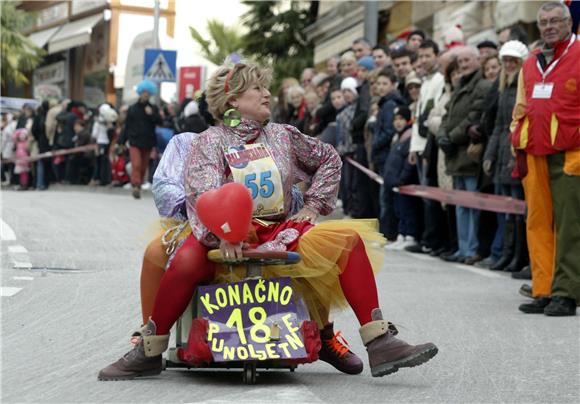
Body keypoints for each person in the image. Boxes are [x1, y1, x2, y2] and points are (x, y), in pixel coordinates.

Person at [98, 62, 438, 380]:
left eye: (266, 87)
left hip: (279, 228)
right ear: (232, 100)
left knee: (347, 242)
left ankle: (379, 341)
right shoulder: (209, 141)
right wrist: (225, 235)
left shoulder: (284, 135)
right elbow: (202, 195)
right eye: (257, 88)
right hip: (222, 231)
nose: (267, 94)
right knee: (185, 259)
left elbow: (330, 160)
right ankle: (149, 348)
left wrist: (315, 205)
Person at [510, 1, 579, 316]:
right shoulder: (531, 62)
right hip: (534, 152)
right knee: (537, 223)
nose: (549, 26)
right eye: (544, 22)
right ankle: (544, 289)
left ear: (568, 22)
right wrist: (517, 144)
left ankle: (566, 292)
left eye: (555, 20)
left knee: (569, 225)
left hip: (571, 154)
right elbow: (520, 108)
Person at [436, 46, 492, 263]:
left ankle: (472, 249)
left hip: (470, 155)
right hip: (454, 156)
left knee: (472, 204)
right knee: (460, 204)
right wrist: (443, 135)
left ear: (478, 60)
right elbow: (446, 115)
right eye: (460, 62)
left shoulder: (483, 85)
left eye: (468, 60)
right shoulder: (460, 85)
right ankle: (462, 248)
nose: (464, 64)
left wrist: (451, 137)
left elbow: (474, 117)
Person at [482, 40, 529, 272]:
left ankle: (519, 256)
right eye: (506, 61)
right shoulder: (503, 88)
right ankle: (509, 253)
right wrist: (489, 155)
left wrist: (516, 154)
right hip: (501, 153)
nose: (509, 64)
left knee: (519, 212)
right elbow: (499, 127)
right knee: (506, 211)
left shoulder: (523, 87)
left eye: (513, 61)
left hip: (514, 153)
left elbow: (519, 124)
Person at [407, 39, 446, 255]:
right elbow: (418, 116)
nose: (423, 60)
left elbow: (432, 116)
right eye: (420, 56)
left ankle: (434, 240)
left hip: (430, 144)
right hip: (420, 145)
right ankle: (427, 238)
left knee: (432, 197)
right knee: (424, 196)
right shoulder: (425, 81)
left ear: (436, 56)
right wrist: (414, 148)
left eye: (427, 56)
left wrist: (423, 147)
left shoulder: (439, 79)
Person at [372, 68, 405, 241]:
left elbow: (389, 130)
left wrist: (376, 144)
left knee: (387, 197)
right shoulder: (384, 103)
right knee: (383, 196)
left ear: (393, 85)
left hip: (387, 155)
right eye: (379, 83)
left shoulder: (390, 104)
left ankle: (388, 233)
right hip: (382, 155)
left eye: (385, 83)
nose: (381, 87)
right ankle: (386, 231)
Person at [383, 106, 420, 250]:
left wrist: (402, 179)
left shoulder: (409, 137)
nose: (398, 122)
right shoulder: (397, 138)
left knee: (408, 209)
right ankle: (402, 234)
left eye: (401, 119)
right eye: (396, 119)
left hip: (404, 183)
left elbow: (409, 162)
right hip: (395, 183)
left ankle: (410, 235)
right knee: (399, 210)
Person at [119, 80, 162, 199]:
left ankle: (139, 183)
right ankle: (136, 186)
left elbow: (160, 121)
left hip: (148, 141)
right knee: (136, 164)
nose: (145, 94)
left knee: (143, 167)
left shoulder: (153, 108)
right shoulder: (132, 108)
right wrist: (122, 141)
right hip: (134, 141)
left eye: (148, 93)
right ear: (140, 93)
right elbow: (127, 126)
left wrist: (151, 114)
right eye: (144, 92)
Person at [90, 104, 118, 186]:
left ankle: (99, 179)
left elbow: (94, 135)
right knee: (106, 162)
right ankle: (106, 179)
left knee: (99, 162)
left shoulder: (98, 122)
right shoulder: (111, 123)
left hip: (100, 143)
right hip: (108, 144)